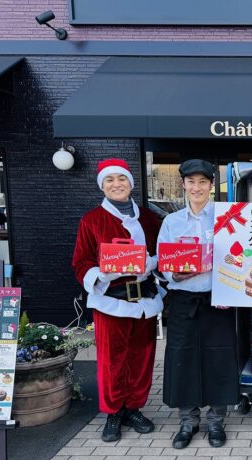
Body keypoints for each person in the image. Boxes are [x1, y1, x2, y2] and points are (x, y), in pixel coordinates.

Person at [72, 158, 163, 443]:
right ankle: (113, 412)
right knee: (112, 360)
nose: (116, 185)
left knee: (141, 357)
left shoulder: (149, 218)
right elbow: (81, 262)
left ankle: (134, 408)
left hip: (144, 300)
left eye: (121, 179)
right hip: (111, 301)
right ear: (103, 185)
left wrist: (152, 263)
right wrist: (104, 272)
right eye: (109, 180)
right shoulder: (92, 220)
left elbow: (164, 253)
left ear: (130, 183)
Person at [159, 159, 239, 449]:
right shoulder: (171, 221)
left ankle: (216, 421)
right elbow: (163, 263)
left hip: (218, 302)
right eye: (191, 182)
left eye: (203, 182)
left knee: (219, 359)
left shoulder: (225, 218)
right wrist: (174, 273)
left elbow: (239, 257)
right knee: (183, 359)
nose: (197, 187)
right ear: (183, 184)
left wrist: (231, 289)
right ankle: (188, 421)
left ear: (211, 186)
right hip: (183, 301)